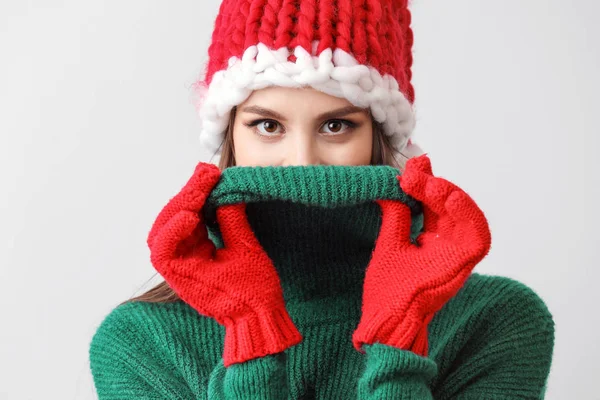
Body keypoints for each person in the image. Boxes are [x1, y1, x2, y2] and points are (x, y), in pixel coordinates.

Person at [89, 0, 555, 398]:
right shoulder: (141, 342)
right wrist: (251, 334)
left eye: (336, 125)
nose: (302, 161)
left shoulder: (494, 322)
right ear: (230, 135)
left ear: (380, 136)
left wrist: (399, 341)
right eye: (268, 126)